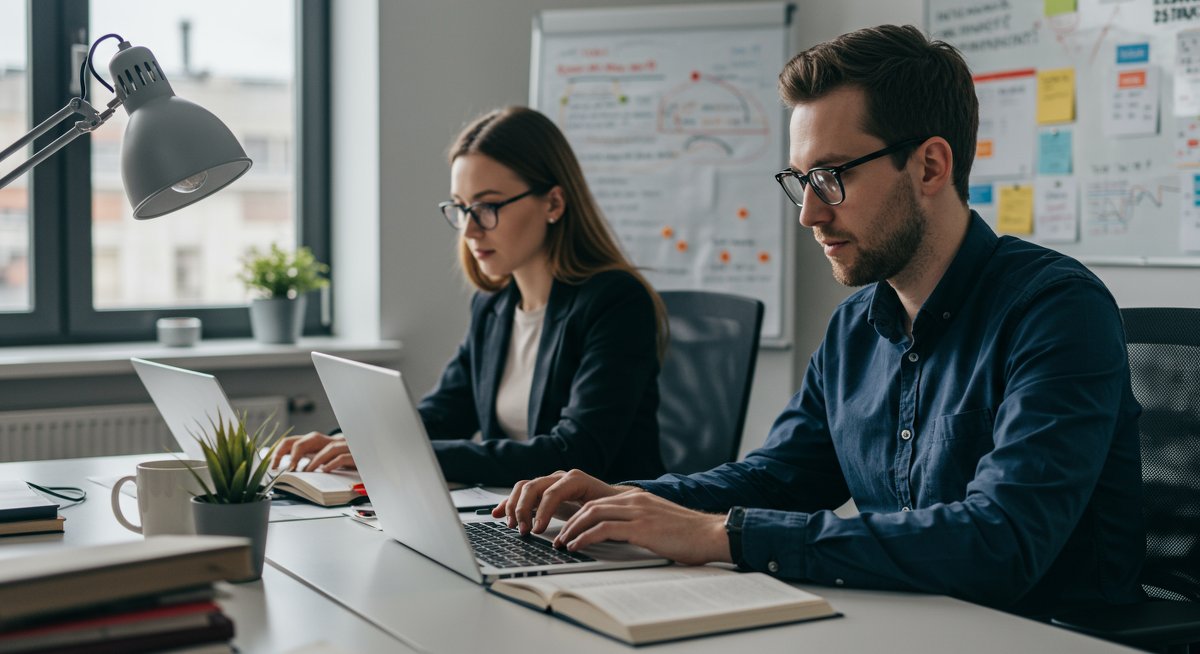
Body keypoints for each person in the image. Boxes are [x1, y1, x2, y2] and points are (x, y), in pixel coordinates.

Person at [496, 25, 1144, 617]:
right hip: (908, 620)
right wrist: (620, 501)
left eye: (831, 177)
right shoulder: (855, 327)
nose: (809, 213)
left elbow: (1000, 542)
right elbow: (778, 477)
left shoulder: (1057, 310)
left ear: (929, 166)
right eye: (801, 179)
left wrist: (722, 535)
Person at [273, 106, 668, 486]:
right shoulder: (493, 306)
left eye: (488, 206)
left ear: (553, 203)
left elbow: (573, 453)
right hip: (520, 520)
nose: (470, 229)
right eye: (461, 208)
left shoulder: (616, 302)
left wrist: (399, 452)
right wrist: (353, 439)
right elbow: (443, 413)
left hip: (607, 530)